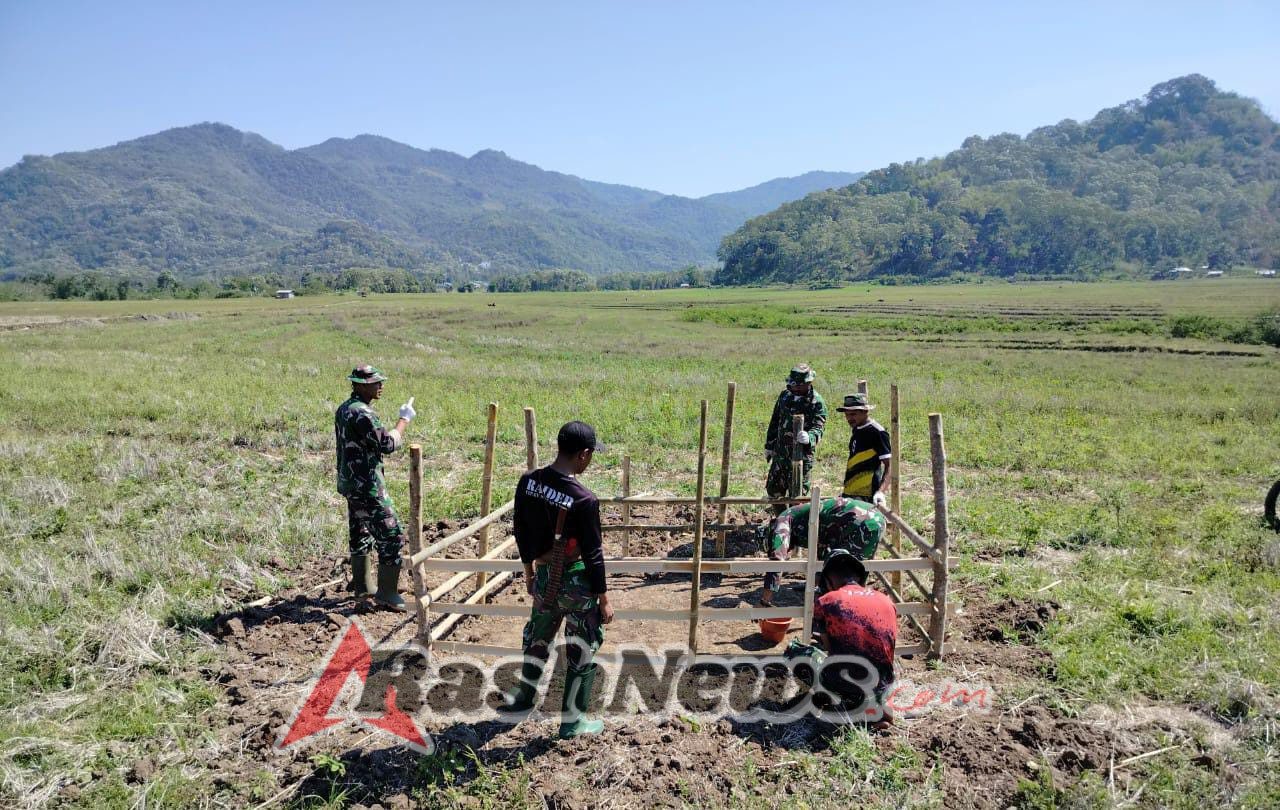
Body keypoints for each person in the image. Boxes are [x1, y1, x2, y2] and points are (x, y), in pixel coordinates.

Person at [502, 421, 615, 738]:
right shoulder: (584, 499)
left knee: (537, 637)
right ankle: (572, 722)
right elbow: (593, 554)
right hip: (576, 581)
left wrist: (528, 572)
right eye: (592, 455)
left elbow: (521, 530)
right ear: (584, 454)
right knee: (582, 645)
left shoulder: (528, 482)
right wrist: (603, 600)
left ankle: (522, 701)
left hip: (544, 576)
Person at [335, 365, 416, 610]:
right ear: (359, 385)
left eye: (380, 381)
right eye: (374, 383)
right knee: (392, 535)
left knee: (360, 532)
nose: (380, 386)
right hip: (367, 486)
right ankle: (387, 593)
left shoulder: (345, 409)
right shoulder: (363, 414)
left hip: (350, 482)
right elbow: (387, 444)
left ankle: (363, 586)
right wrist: (404, 420)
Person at [784, 550, 898, 723]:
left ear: (829, 581)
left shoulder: (827, 601)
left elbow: (830, 648)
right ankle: (877, 702)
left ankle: (840, 700)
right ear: (860, 578)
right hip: (883, 680)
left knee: (796, 652)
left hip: (846, 681)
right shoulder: (886, 600)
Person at [759, 496, 885, 607]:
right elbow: (822, 548)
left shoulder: (782, 523)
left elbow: (777, 560)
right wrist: (813, 584)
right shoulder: (798, 521)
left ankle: (846, 615)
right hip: (870, 518)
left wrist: (765, 601)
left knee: (850, 574)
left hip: (862, 522)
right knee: (852, 570)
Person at [764, 364, 828, 511]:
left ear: (809, 383)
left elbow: (819, 427)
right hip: (781, 454)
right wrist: (769, 445)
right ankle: (781, 519)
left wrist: (810, 437)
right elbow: (775, 420)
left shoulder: (816, 402)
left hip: (801, 456)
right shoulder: (785, 396)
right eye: (794, 384)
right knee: (774, 491)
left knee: (797, 496)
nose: (796, 388)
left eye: (800, 385)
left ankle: (794, 525)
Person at [837, 393, 891, 509]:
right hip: (851, 492)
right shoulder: (857, 429)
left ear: (865, 412)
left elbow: (890, 465)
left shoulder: (878, 432)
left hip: (867, 495)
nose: (849, 418)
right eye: (847, 414)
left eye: (853, 414)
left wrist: (881, 492)